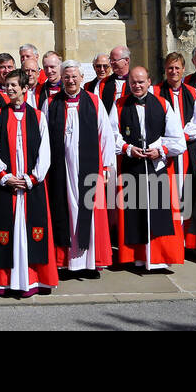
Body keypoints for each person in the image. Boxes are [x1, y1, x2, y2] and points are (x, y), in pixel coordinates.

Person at [0, 70, 57, 296]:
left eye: (13, 86)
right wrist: (4, 176)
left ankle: (31, 280)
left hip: (30, 186)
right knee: (3, 232)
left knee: (32, 231)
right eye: (7, 85)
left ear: (24, 89)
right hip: (5, 185)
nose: (9, 89)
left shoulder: (39, 117)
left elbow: (45, 153)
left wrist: (32, 178)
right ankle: (1, 281)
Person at [108, 67, 186, 270]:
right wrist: (127, 148)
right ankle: (136, 257)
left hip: (156, 167)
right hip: (131, 166)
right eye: (133, 82)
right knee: (133, 212)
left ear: (149, 82)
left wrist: (160, 150)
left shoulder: (162, 104)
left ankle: (159, 258)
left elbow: (178, 140)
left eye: (141, 82)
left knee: (158, 212)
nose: (137, 86)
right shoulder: (119, 105)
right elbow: (111, 136)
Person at [46, 61, 116, 277]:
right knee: (64, 210)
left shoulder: (94, 102)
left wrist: (106, 167)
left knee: (90, 213)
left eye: (74, 76)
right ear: (62, 79)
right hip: (61, 169)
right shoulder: (51, 103)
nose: (70, 80)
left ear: (82, 77)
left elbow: (106, 135)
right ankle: (65, 262)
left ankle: (90, 262)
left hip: (89, 167)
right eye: (66, 77)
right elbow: (43, 137)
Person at [153, 52, 196, 249]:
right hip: (164, 152)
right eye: (170, 68)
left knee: (187, 192)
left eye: (177, 68)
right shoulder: (156, 92)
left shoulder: (193, 93)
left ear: (184, 70)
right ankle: (168, 240)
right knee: (167, 194)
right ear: (165, 70)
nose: (173, 71)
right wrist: (169, 141)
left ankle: (186, 240)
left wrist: (179, 138)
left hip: (186, 152)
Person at [99, 46, 132, 113]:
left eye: (114, 60)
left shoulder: (137, 82)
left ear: (126, 60)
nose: (111, 63)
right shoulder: (103, 83)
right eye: (110, 60)